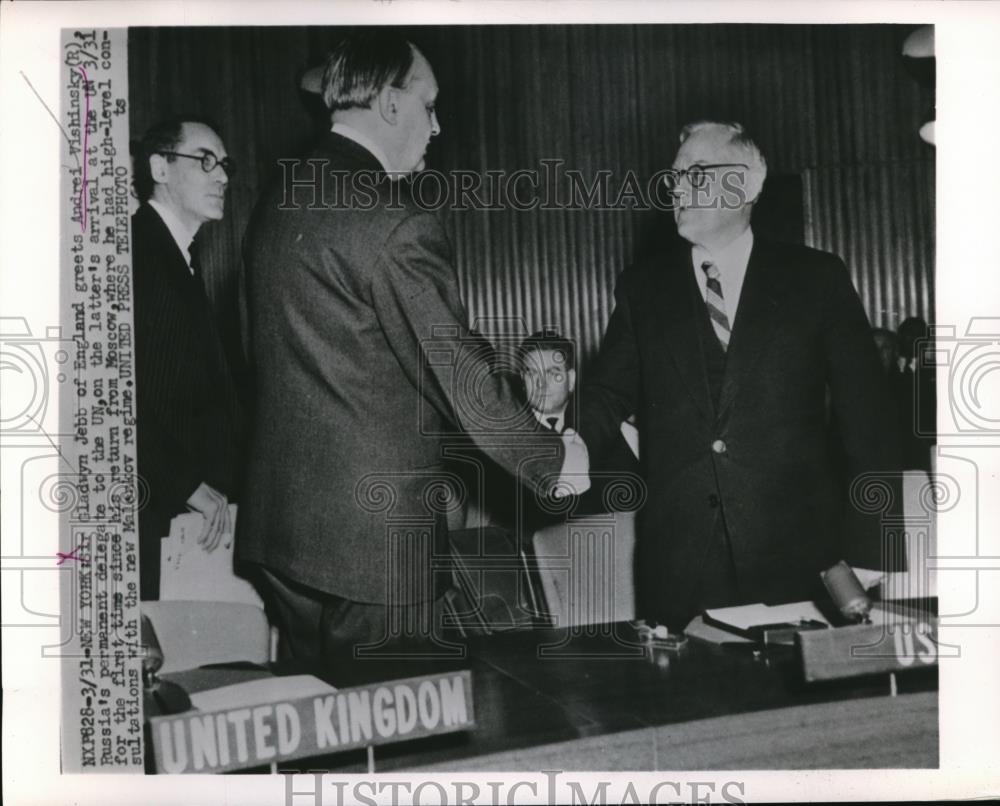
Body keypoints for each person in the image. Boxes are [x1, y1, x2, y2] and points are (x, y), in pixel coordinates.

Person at [239, 33, 586, 662]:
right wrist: (554, 461)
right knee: (404, 736)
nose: (437, 125)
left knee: (323, 738)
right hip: (375, 552)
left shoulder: (280, 200)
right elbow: (463, 381)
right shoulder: (395, 220)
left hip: (285, 534)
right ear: (392, 105)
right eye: (429, 106)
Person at [579, 120, 900, 631]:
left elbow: (869, 423)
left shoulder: (817, 279)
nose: (678, 188)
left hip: (802, 564)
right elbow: (604, 393)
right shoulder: (643, 288)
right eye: (674, 176)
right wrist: (563, 451)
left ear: (748, 185)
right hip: (679, 568)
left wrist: (871, 550)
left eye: (698, 173)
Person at [131, 117, 244, 599]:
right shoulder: (140, 252)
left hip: (185, 507)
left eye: (224, 165)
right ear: (160, 167)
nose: (221, 176)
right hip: (161, 505)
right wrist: (184, 483)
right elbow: (116, 392)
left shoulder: (177, 255)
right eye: (204, 161)